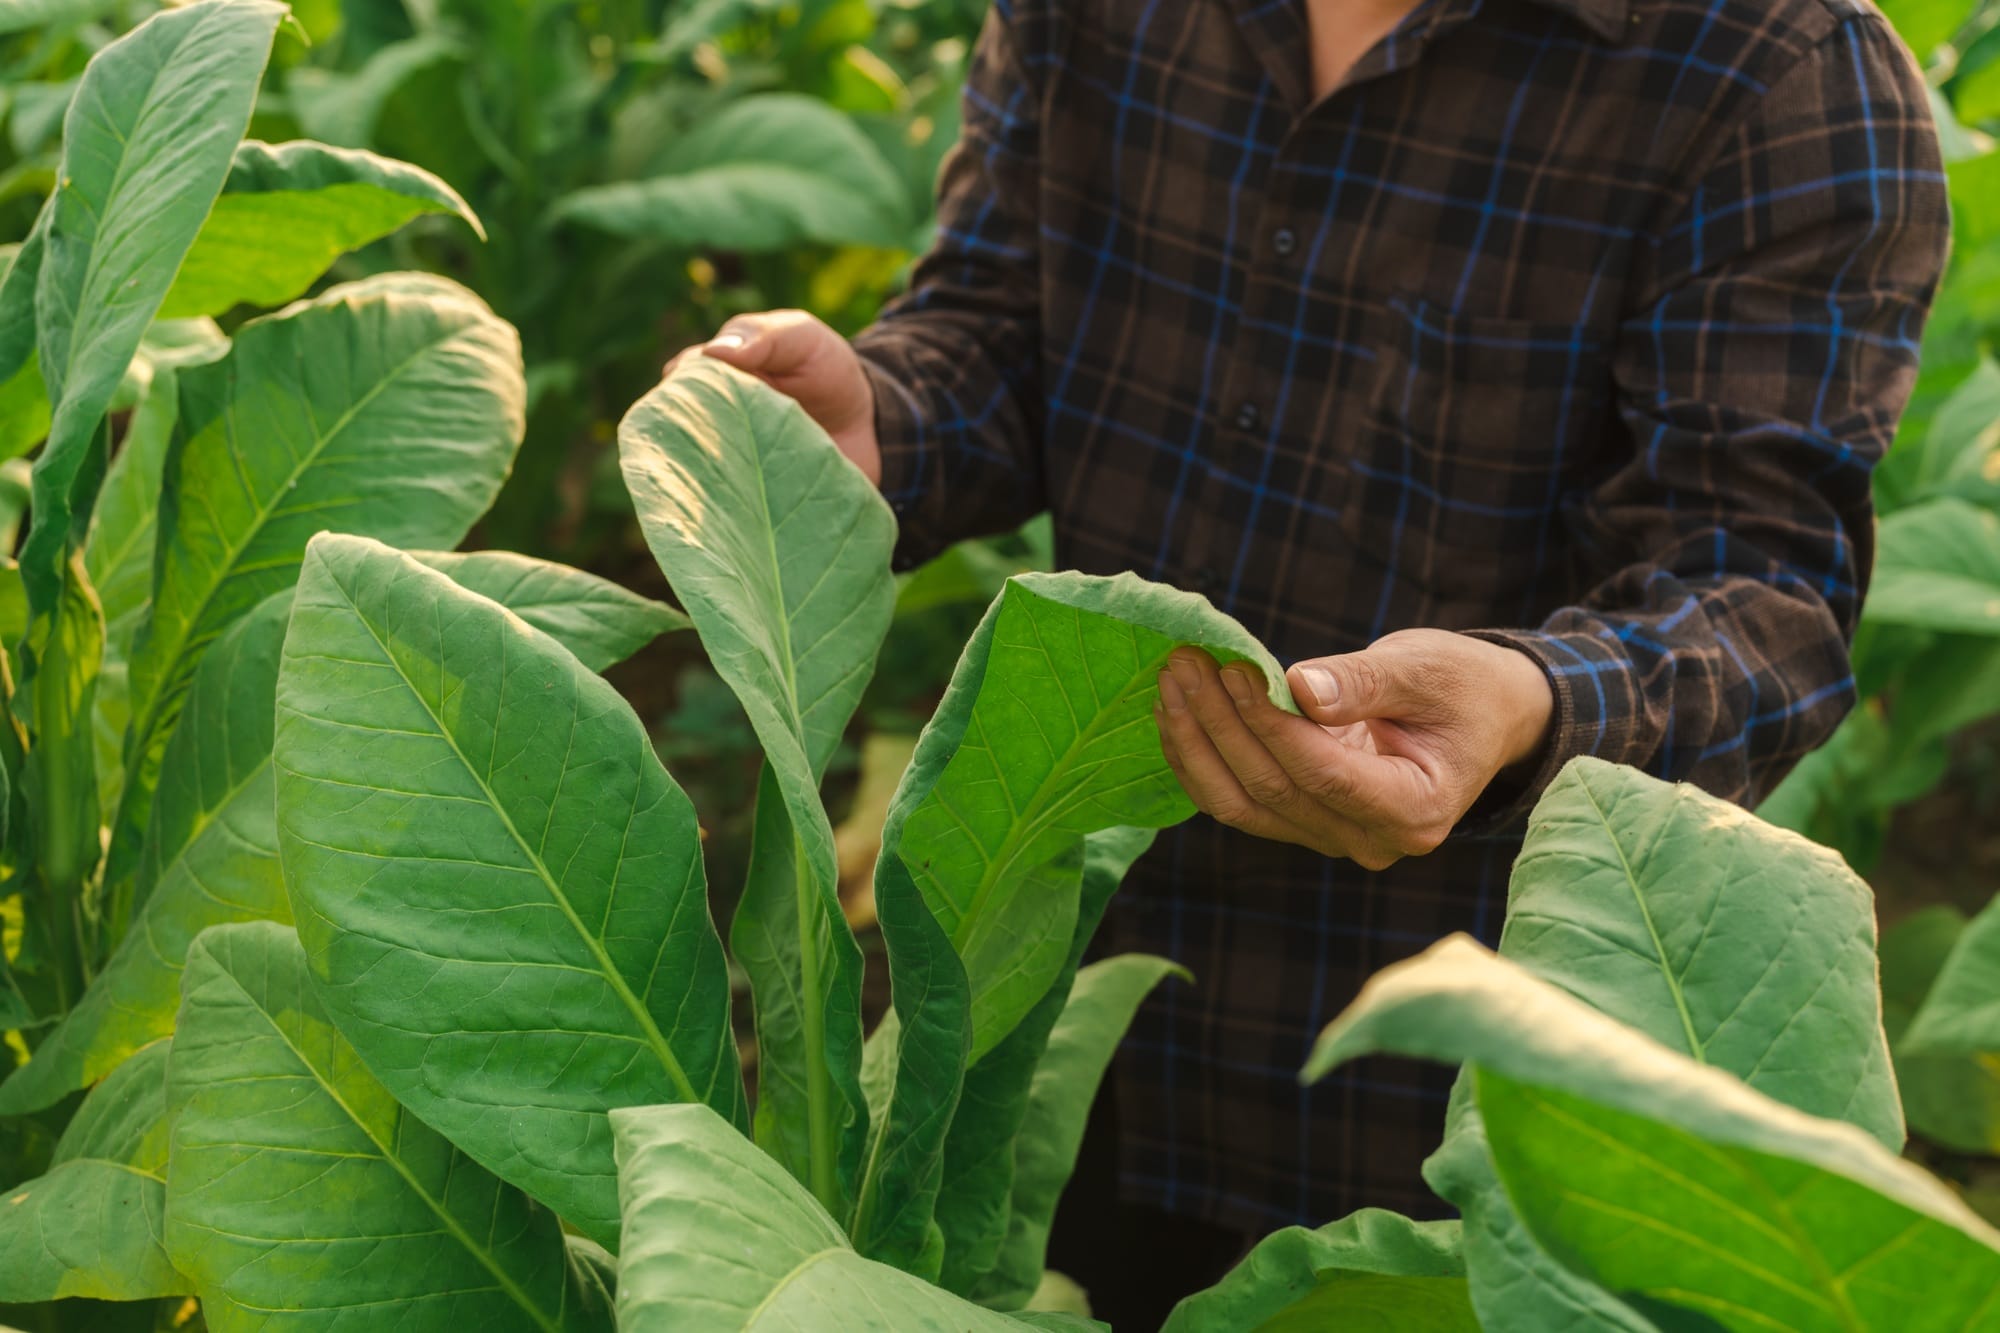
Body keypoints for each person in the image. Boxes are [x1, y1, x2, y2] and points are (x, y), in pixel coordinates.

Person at [689, 0, 1949, 1322]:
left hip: (1422, 1085)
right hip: (1059, 994)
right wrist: (880, 419)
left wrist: (1530, 700)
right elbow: (1004, 315)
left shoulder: (1776, 68)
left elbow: (1762, 596)